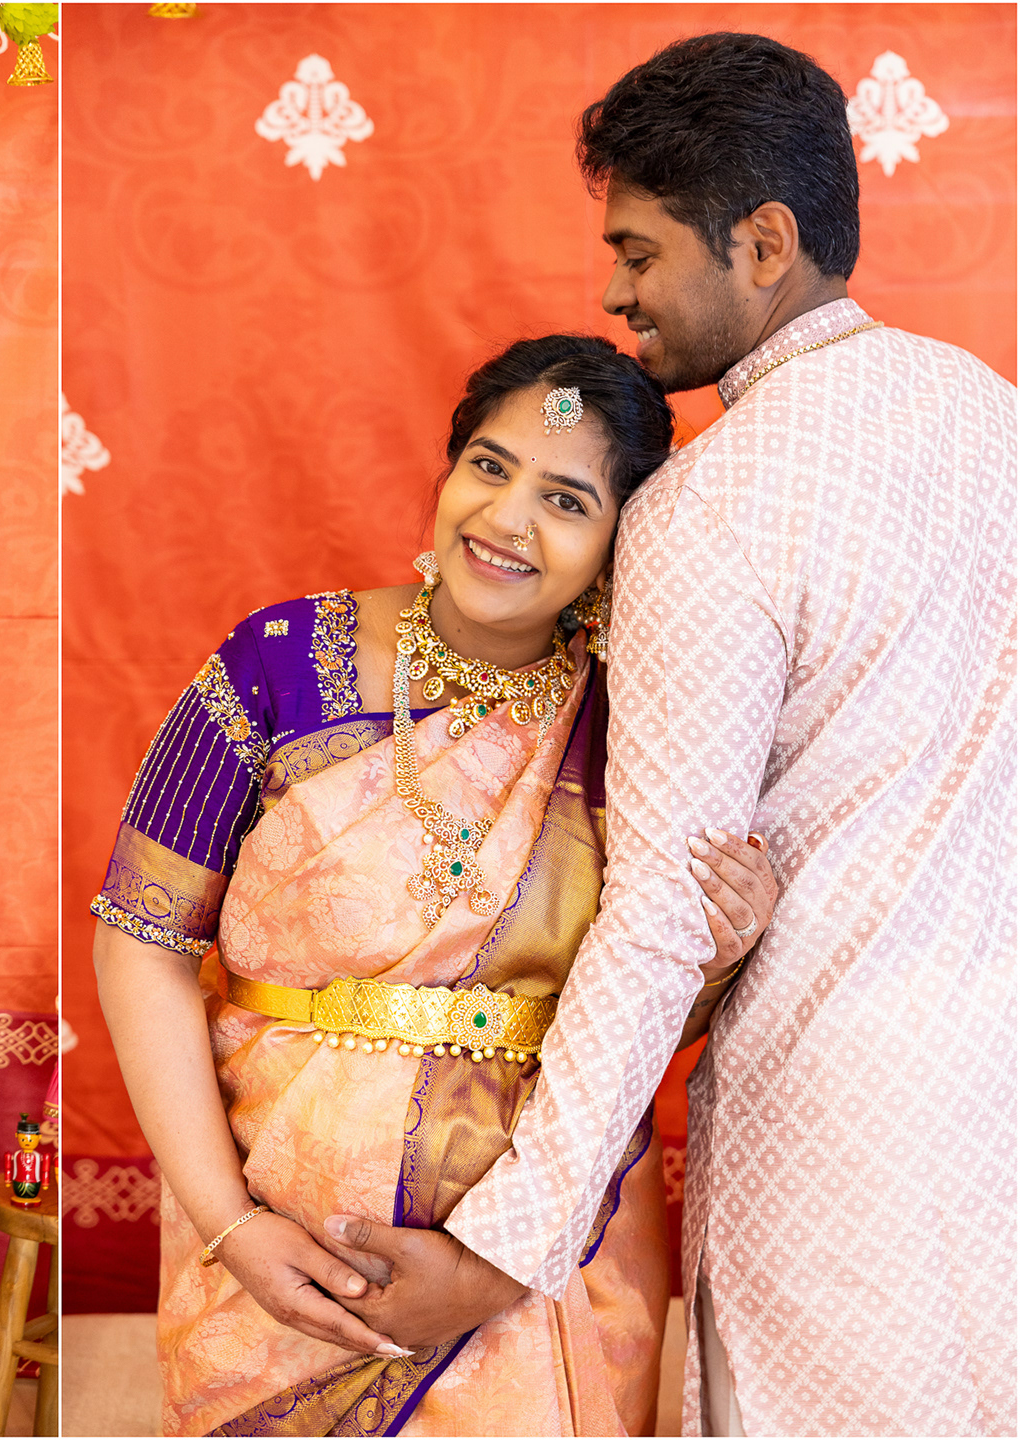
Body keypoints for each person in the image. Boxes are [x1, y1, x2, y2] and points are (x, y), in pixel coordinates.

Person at [332, 33, 1017, 1438]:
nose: (614, 293)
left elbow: (657, 915)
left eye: (639, 252)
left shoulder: (710, 509)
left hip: (838, 1139)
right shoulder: (992, 415)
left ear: (763, 243)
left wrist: (498, 1252)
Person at [93, 334, 780, 1435]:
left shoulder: (641, 730)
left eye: (566, 500)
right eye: (489, 467)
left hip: (537, 1264)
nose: (506, 518)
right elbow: (141, 938)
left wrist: (718, 955)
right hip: (277, 1244)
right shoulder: (280, 662)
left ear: (621, 545)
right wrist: (231, 1225)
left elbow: (633, 1021)